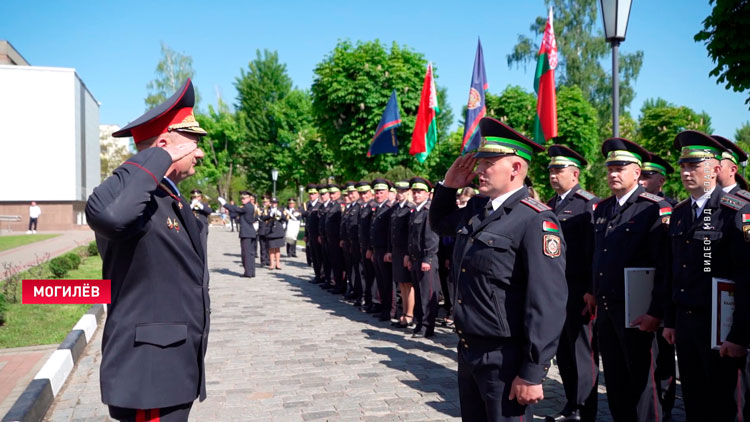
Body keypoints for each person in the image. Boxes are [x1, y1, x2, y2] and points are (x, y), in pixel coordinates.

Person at [85, 79, 209, 422]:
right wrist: (160, 154)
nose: (199, 152)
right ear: (167, 144)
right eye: (193, 143)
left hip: (171, 369)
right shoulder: (127, 196)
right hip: (149, 374)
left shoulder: (166, 198)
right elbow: (111, 216)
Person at [430, 117, 567, 421]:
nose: (478, 170)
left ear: (515, 169)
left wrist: (532, 372)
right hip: (469, 348)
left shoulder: (536, 220)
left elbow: (548, 301)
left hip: (506, 358)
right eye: (479, 162)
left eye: (487, 163)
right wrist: (448, 186)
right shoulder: (479, 210)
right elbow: (440, 224)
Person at [662, 130, 750, 421]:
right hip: (687, 325)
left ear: (714, 169)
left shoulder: (734, 211)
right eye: (683, 165)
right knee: (695, 402)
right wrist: (671, 321)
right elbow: (675, 271)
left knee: (726, 406)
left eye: (694, 166)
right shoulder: (680, 212)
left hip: (721, 329)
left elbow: (746, 279)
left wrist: (739, 336)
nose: (686, 172)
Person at [588, 137, 671, 422]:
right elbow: (599, 255)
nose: (613, 173)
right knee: (614, 379)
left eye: (620, 168)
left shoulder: (653, 208)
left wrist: (655, 312)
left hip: (639, 313)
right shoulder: (603, 208)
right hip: (608, 310)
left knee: (643, 384)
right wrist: (592, 291)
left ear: (637, 172)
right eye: (610, 167)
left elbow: (664, 266)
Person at [544, 145, 600, 422]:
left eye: (559, 170)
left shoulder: (587, 204)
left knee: (582, 352)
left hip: (579, 290)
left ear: (575, 173)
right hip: (556, 291)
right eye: (551, 170)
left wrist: (592, 289)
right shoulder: (551, 204)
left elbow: (593, 251)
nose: (553, 175)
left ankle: (583, 408)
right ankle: (570, 403)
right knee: (563, 352)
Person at [407, 177, 440, 338]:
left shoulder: (428, 211)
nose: (416, 194)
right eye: (414, 191)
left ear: (428, 194)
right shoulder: (416, 211)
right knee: (419, 293)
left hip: (426, 259)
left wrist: (428, 258)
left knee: (427, 294)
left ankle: (428, 326)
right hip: (415, 258)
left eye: (420, 191)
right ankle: (419, 323)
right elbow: (412, 237)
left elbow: (432, 237)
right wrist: (408, 255)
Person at [388, 181, 415, 328]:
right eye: (399, 190)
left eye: (404, 191)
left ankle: (409, 315)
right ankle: (404, 312)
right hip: (397, 250)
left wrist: (407, 253)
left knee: (408, 284)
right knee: (402, 284)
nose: (400, 193)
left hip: (405, 251)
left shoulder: (410, 208)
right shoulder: (396, 208)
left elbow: (410, 234)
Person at [369, 178, 395, 322]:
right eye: (377, 192)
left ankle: (390, 310)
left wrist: (388, 250)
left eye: (381, 192)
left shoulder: (389, 208)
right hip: (377, 249)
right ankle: (383, 307)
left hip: (385, 250)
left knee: (387, 282)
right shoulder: (379, 207)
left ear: (387, 193)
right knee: (380, 281)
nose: (378, 194)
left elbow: (390, 233)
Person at [220, 191, 257, 278]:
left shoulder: (247, 207)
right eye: (241, 198)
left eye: (244, 198)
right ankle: (251, 271)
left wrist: (225, 204)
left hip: (246, 233)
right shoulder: (250, 206)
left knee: (246, 254)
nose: (242, 200)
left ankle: (248, 272)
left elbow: (236, 209)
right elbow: (237, 212)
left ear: (249, 198)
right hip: (250, 232)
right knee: (250, 254)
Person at [264, 197, 286, 270]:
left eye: (275, 203)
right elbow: (262, 218)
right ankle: (271, 263)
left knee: (277, 248)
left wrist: (281, 215)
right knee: (271, 248)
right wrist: (269, 215)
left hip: (278, 231)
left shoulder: (280, 210)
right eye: (273, 203)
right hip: (270, 230)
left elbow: (285, 219)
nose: (274, 204)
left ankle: (278, 263)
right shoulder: (267, 209)